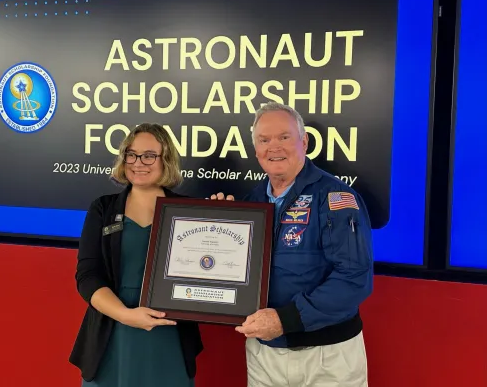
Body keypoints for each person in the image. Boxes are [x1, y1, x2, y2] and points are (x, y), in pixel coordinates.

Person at [212, 102, 373, 386]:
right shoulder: (252, 202)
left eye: (284, 137)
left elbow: (354, 278)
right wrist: (219, 228)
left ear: (304, 141)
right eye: (264, 140)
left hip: (327, 356)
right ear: (256, 150)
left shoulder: (335, 196)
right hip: (265, 353)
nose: (274, 147)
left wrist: (286, 319)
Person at [69, 123, 203, 387]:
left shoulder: (190, 210)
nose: (138, 163)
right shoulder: (103, 208)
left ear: (166, 161)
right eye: (131, 154)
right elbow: (87, 276)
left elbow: (207, 272)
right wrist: (125, 315)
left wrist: (226, 218)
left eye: (149, 155)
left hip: (169, 335)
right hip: (112, 333)